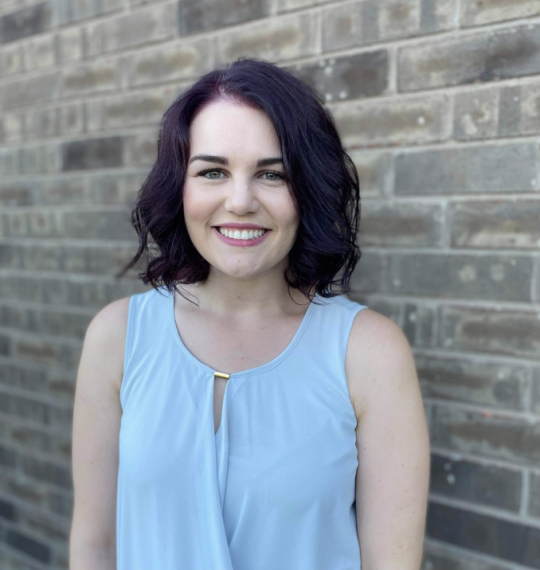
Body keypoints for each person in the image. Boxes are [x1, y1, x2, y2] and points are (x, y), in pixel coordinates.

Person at [69, 58, 430, 570]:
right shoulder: (116, 337)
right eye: (212, 171)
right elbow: (95, 548)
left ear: (308, 189)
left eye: (271, 174)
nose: (240, 201)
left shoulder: (370, 352)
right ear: (181, 187)